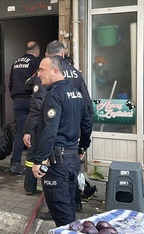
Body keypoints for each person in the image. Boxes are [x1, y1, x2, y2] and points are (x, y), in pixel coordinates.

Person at [23, 41, 95, 212]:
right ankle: (75, 203)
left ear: (48, 55)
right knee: (72, 174)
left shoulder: (48, 75)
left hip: (54, 137)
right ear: (63, 53)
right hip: (73, 136)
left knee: (56, 182)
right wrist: (84, 144)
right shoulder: (76, 74)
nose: (40, 73)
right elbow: (87, 106)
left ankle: (52, 205)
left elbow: (38, 105)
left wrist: (28, 129)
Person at [8, 41, 41, 175]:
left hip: (18, 101)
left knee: (21, 133)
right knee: (36, 131)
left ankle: (15, 163)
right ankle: (35, 163)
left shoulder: (15, 63)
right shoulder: (36, 62)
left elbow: (10, 84)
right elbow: (39, 81)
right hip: (32, 100)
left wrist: (15, 97)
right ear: (37, 51)